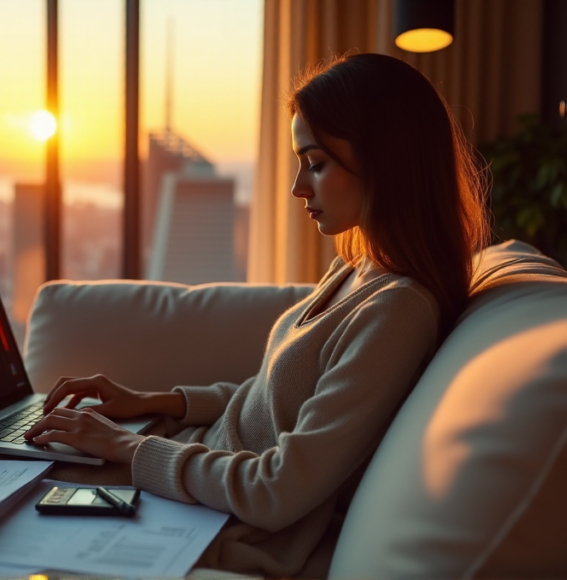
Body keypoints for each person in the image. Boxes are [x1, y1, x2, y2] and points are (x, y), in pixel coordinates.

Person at [24, 53, 490, 578]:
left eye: (316, 163)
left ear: (387, 162)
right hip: (185, 469)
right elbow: (272, 399)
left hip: (211, 517)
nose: (298, 187)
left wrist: (123, 445)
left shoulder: (398, 311)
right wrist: (151, 400)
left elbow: (275, 490)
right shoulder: (358, 271)